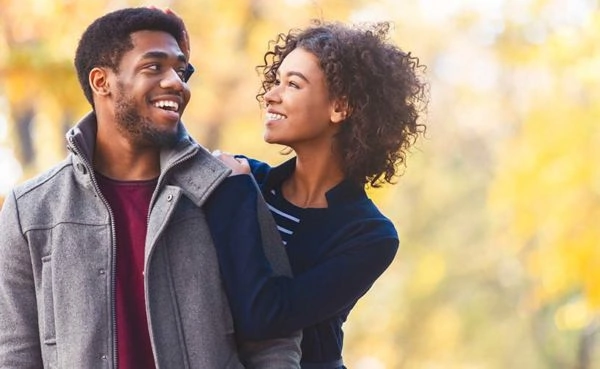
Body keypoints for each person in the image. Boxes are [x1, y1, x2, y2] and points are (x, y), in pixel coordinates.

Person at [0, 7, 301, 369]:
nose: (177, 82)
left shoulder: (225, 190)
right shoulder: (30, 209)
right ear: (102, 82)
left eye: (181, 69)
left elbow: (273, 339)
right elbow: (14, 351)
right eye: (153, 66)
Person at [212, 20, 428, 368]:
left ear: (339, 108)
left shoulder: (370, 235)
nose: (271, 95)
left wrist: (237, 196)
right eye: (276, 81)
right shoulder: (248, 179)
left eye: (293, 84)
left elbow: (268, 314)